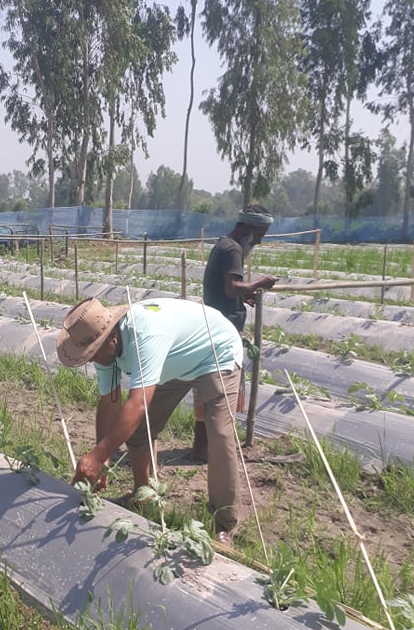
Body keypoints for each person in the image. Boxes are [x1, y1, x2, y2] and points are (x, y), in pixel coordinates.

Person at [56, 295, 244, 544]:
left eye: (93, 353)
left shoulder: (144, 335)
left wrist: (97, 457)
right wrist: (101, 459)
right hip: (173, 360)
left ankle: (225, 522)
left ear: (111, 338)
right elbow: (109, 403)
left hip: (214, 353)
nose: (92, 359)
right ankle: (144, 497)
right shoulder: (102, 350)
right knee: (137, 431)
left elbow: (137, 403)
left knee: (219, 434)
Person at [191, 204, 278, 461]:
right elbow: (231, 288)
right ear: (248, 227)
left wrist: (245, 294)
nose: (260, 240)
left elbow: (229, 289)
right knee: (221, 389)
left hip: (216, 322)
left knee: (208, 386)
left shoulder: (224, 244)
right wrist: (257, 284)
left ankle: (202, 446)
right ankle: (214, 448)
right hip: (223, 328)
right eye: (260, 233)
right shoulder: (233, 249)